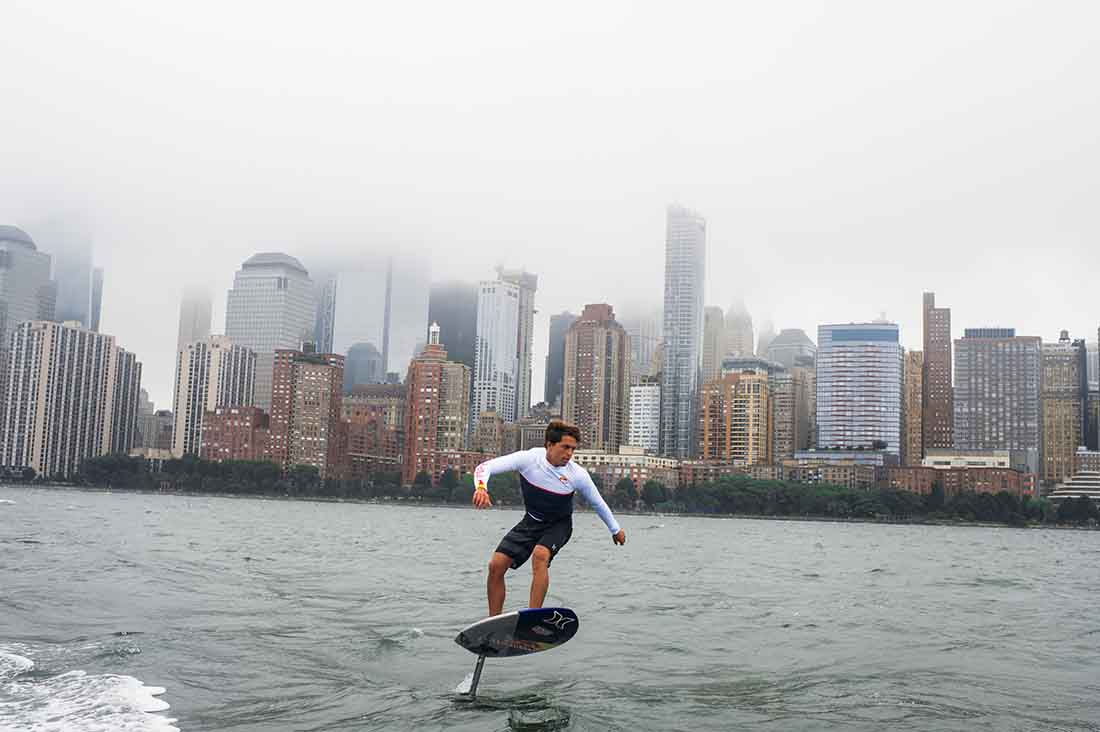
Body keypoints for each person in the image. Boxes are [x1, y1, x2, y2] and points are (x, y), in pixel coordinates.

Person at [472, 420, 626, 616]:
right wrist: (481, 487)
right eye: (565, 447)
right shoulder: (528, 459)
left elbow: (598, 503)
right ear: (549, 445)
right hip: (531, 521)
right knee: (495, 566)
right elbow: (485, 467)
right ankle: (492, 622)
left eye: (573, 449)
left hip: (559, 525)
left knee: (540, 555)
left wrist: (615, 529)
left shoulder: (577, 474)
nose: (569, 454)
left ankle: (532, 617)